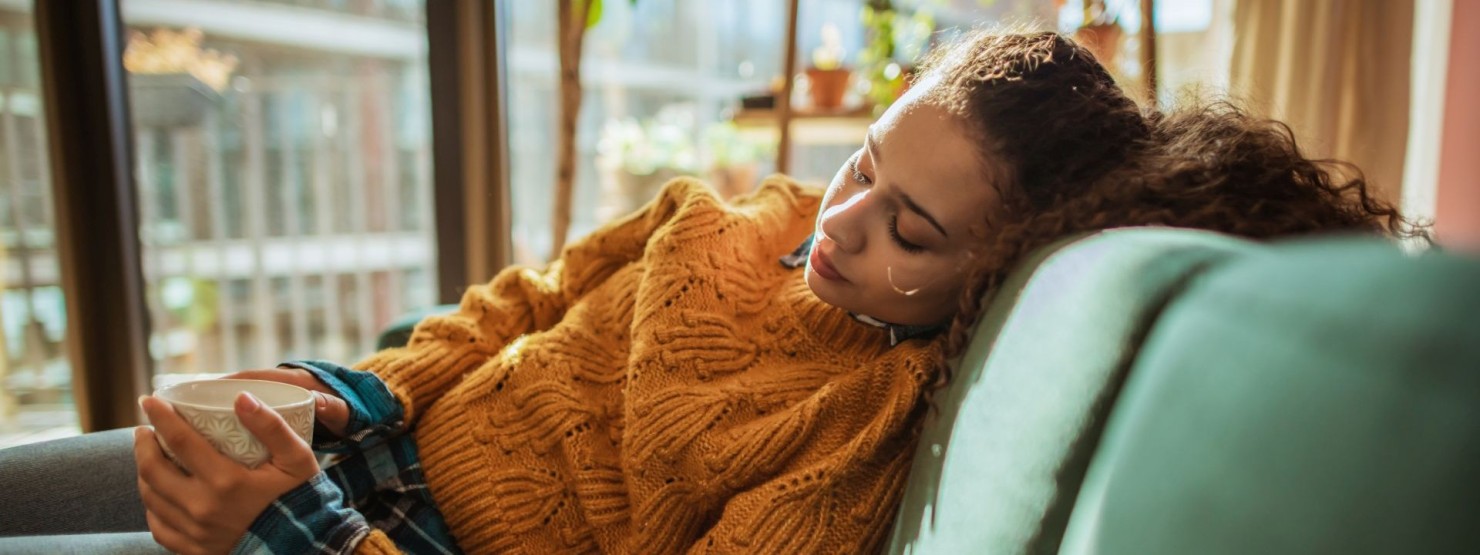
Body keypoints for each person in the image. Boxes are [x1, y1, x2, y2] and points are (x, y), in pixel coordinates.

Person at [0, 30, 1422, 554]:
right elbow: (524, 299)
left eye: (911, 231)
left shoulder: (844, 451)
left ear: (995, 275)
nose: (841, 226)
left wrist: (296, 531)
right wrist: (358, 387)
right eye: (863, 164)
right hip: (364, 431)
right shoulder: (741, 216)